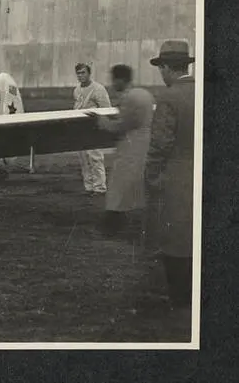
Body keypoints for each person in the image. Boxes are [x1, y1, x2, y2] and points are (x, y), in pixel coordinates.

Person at [144, 40, 196, 310]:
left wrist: (151, 179)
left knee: (175, 239)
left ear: (166, 67)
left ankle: (180, 299)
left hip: (176, 178)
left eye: (161, 68)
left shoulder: (169, 97)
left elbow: (159, 146)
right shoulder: (203, 93)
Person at [88, 64, 155, 237]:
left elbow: (121, 126)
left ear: (120, 80)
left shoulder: (130, 97)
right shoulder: (144, 94)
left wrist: (101, 122)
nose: (112, 84)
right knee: (133, 186)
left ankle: (111, 227)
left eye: (114, 80)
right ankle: (124, 222)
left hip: (129, 146)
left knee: (119, 187)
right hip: (144, 144)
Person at [73, 62, 112, 194]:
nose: (80, 76)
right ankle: (89, 186)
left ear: (89, 73)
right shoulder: (77, 89)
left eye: (83, 72)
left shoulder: (98, 89)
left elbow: (106, 108)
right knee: (83, 158)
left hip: (93, 126)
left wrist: (101, 124)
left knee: (95, 157)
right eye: (78, 73)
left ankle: (100, 187)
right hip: (80, 126)